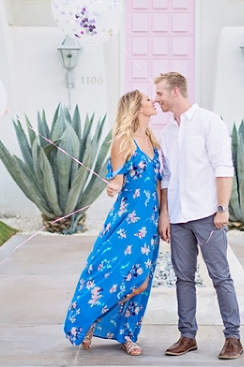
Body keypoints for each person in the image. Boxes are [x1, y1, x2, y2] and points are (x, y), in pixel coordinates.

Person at [64, 90, 162, 356]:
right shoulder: (123, 141)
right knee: (127, 278)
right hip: (128, 221)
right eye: (147, 99)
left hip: (150, 221)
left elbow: (158, 183)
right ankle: (89, 319)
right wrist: (113, 185)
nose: (153, 101)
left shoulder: (153, 140)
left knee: (143, 281)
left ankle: (127, 335)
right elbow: (117, 180)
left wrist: (163, 217)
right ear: (136, 108)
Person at [154, 72, 244, 360]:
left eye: (160, 94)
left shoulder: (209, 122)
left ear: (176, 91)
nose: (157, 99)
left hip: (207, 214)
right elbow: (167, 176)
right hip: (179, 217)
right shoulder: (167, 133)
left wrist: (222, 207)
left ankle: (233, 338)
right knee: (183, 278)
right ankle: (187, 336)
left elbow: (223, 167)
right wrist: (165, 215)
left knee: (220, 277)